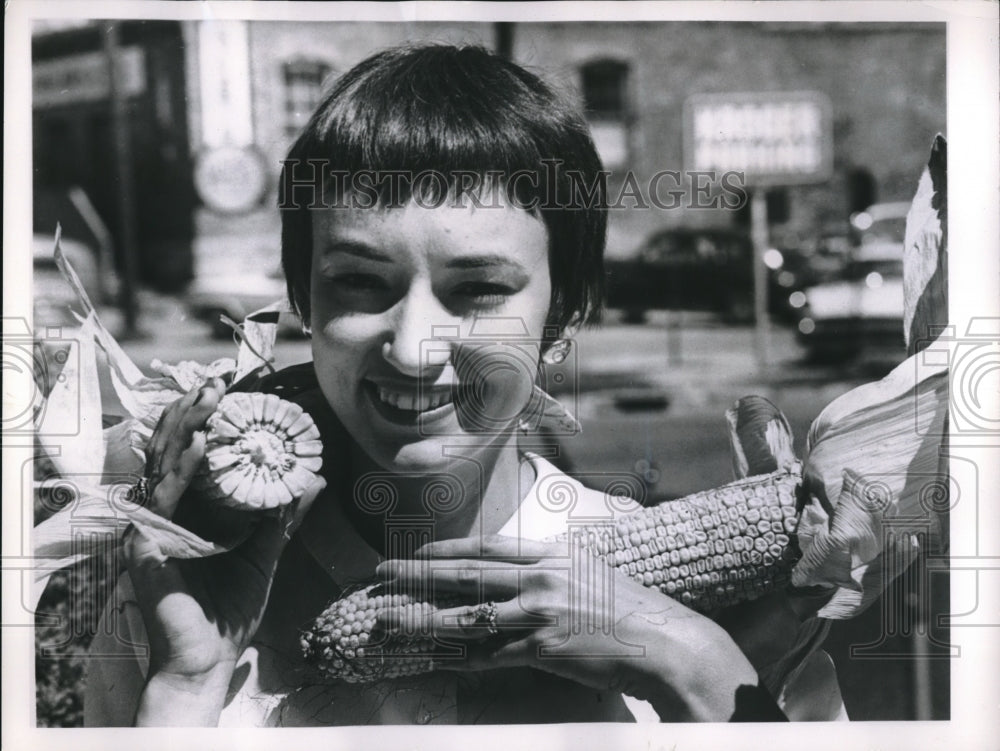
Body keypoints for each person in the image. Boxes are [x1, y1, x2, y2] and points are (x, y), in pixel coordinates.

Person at [85, 44, 845, 726]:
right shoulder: (181, 590)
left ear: (567, 314)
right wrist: (188, 687)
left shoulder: (729, 611)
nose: (415, 350)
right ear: (303, 300)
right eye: (357, 281)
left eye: (479, 288)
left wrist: (699, 669)